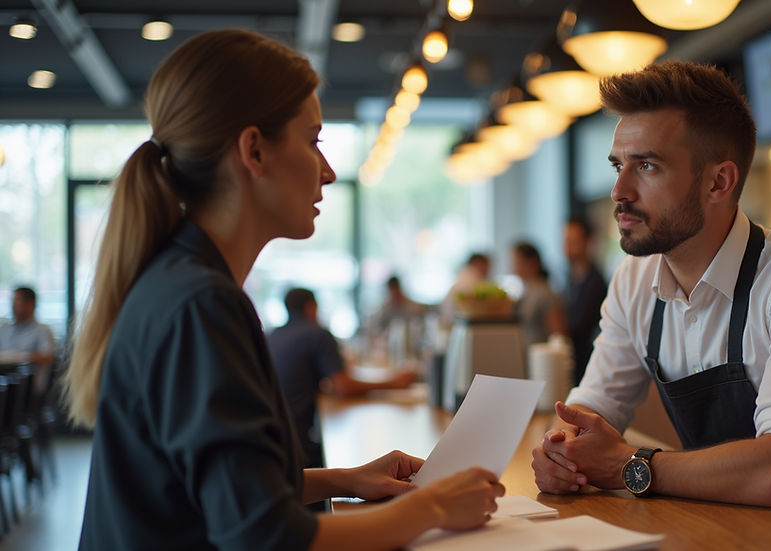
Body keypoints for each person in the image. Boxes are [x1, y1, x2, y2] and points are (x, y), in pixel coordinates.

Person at [63, 29, 503, 551]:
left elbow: (226, 489)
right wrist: (431, 506)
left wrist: (344, 478)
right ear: (254, 150)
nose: (329, 171)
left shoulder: (180, 281)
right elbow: (265, 535)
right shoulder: (202, 303)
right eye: (313, 140)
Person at [529, 61, 771, 550]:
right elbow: (590, 407)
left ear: (718, 182)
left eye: (647, 166)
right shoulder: (634, 279)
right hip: (716, 531)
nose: (619, 192)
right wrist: (561, 451)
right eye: (619, 166)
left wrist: (629, 465)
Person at [267, 287, 415, 471]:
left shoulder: (272, 335)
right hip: (296, 444)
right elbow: (342, 387)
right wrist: (395, 383)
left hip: (271, 441)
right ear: (311, 307)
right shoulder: (316, 334)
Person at [563, 219, 607, 385]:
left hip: (587, 364)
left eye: (573, 241)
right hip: (573, 361)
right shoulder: (571, 277)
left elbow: (581, 327)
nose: (567, 248)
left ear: (588, 241)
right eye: (566, 241)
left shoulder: (595, 282)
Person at [0, 286, 56, 395]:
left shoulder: (42, 330)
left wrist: (20, 356)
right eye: (13, 301)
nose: (14, 305)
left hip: (27, 388)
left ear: (31, 304)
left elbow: (48, 357)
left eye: (18, 301)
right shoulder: (4, 328)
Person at [512, 242, 566, 347]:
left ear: (532, 263)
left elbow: (558, 335)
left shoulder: (546, 294)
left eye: (517, 262)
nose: (514, 267)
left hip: (540, 357)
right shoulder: (526, 291)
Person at [438, 253, 490, 328]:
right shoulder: (474, 283)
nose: (488, 270)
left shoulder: (460, 278)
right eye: (486, 266)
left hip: (450, 326)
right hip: (459, 327)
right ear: (478, 263)